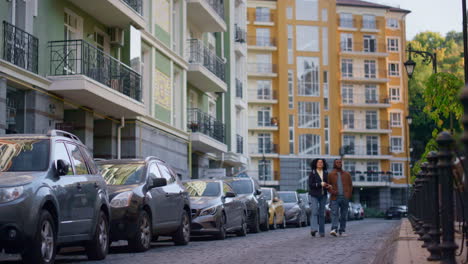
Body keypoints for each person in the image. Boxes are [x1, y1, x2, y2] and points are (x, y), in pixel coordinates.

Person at [327, 159, 353, 237]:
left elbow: (350, 185)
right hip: (335, 197)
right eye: (337, 162)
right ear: (334, 164)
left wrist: (348, 195)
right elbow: (328, 186)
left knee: (344, 215)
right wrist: (332, 192)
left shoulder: (347, 174)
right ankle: (334, 229)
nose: (339, 164)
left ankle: (342, 230)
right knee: (334, 214)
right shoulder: (330, 174)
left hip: (345, 197)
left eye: (340, 163)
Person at [308, 158, 330, 237]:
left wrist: (328, 185)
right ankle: (313, 229)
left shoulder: (326, 173)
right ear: (315, 164)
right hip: (314, 195)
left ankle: (322, 232)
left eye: (321, 162)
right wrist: (319, 184)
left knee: (321, 213)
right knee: (314, 212)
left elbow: (328, 183)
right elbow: (310, 185)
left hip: (323, 195)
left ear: (323, 164)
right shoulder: (312, 173)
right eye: (318, 162)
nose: (320, 163)